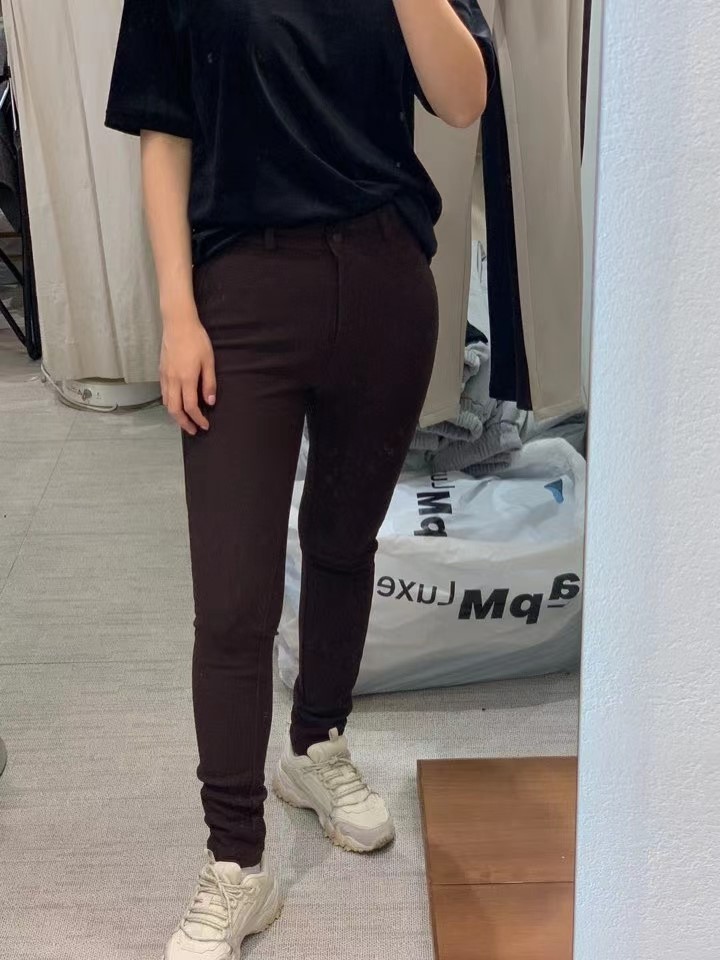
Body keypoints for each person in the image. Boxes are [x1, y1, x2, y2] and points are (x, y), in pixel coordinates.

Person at [106, 2, 492, 957]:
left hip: (385, 283)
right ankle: (235, 862)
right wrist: (177, 315)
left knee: (343, 541)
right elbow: (164, 136)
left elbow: (463, 98)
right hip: (241, 295)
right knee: (232, 599)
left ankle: (317, 745)